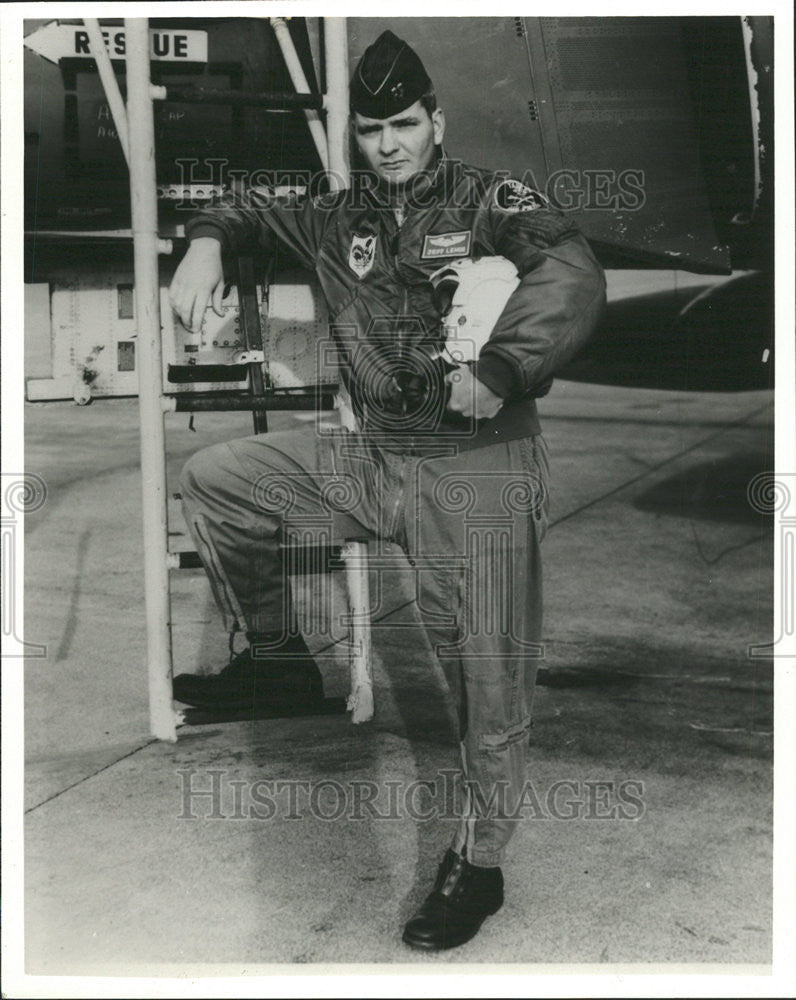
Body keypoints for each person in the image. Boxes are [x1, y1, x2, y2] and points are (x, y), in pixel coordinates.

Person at [169, 29, 606, 951]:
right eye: (371, 129)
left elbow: (573, 269)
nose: (389, 144)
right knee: (219, 480)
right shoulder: (337, 218)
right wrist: (204, 242)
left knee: (486, 678)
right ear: (355, 136)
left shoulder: (491, 199)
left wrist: (502, 364)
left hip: (477, 469)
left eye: (404, 124)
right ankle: (283, 660)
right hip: (376, 463)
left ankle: (479, 860)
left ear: (435, 120)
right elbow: (243, 204)